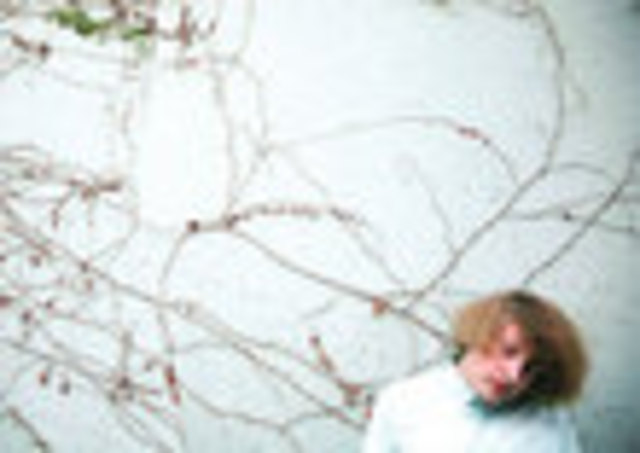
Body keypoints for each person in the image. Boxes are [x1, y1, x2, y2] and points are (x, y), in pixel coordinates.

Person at [363, 289, 588, 453]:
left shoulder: (553, 420)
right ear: (477, 335)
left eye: (531, 366)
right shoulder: (402, 402)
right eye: (508, 351)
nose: (514, 375)